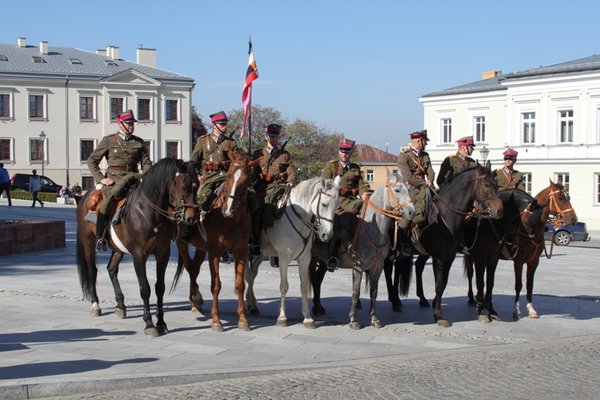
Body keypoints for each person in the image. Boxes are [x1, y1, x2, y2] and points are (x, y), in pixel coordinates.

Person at [87, 110, 152, 251]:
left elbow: (146, 163)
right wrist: (101, 179)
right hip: (113, 181)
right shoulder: (109, 140)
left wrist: (147, 177)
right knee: (107, 203)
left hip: (134, 179)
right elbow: (92, 161)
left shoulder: (138, 142)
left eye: (132, 123)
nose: (131, 126)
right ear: (120, 123)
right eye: (128, 123)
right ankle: (101, 237)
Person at [322, 138, 370, 271]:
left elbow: (361, 185)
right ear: (339, 152)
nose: (345, 154)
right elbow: (325, 185)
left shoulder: (355, 168)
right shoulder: (331, 166)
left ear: (351, 152)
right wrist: (337, 190)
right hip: (337, 203)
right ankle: (332, 255)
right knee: (338, 221)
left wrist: (365, 194)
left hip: (353, 201)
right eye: (342, 151)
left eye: (347, 151)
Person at [250, 123, 297, 255]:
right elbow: (253, 175)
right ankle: (256, 242)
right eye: (270, 136)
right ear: (266, 137)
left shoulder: (284, 155)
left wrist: (291, 181)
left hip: (281, 187)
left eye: (275, 136)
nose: (273, 139)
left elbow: (291, 170)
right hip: (264, 188)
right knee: (258, 208)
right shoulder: (258, 153)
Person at [191, 111, 242, 222]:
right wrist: (198, 175)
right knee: (200, 199)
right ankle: (192, 228)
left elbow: (239, 161)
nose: (225, 126)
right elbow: (193, 162)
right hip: (209, 178)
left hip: (227, 177)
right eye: (221, 124)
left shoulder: (230, 143)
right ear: (214, 125)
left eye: (225, 124)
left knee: (249, 198)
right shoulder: (202, 141)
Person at [397, 130, 435, 226]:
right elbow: (408, 177)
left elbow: (430, 171)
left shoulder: (425, 155)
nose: (426, 143)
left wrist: (430, 180)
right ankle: (403, 237)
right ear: (419, 141)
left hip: (426, 186)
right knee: (406, 222)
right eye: (425, 141)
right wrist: (424, 183)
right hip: (411, 189)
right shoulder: (404, 156)